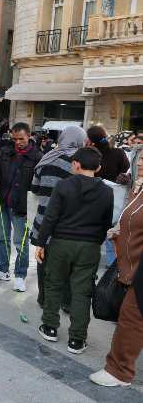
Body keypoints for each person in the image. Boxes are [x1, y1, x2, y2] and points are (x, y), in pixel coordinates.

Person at [35, 147, 114, 354]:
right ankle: (77, 340)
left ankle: (50, 327)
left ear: (76, 164)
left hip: (61, 242)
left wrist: (41, 243)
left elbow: (50, 217)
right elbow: (106, 222)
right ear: (98, 167)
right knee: (82, 292)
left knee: (54, 284)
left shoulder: (63, 185)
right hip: (89, 246)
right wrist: (95, 242)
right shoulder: (107, 191)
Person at [90, 150, 143, 386]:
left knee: (131, 318)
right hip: (130, 264)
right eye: (140, 157)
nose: (140, 162)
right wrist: (119, 234)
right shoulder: (138, 189)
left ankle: (119, 371)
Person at [30, 125, 87, 309]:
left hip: (43, 220)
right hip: (67, 223)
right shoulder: (78, 164)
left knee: (42, 259)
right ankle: (66, 301)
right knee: (67, 263)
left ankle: (43, 298)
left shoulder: (46, 158)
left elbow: (35, 189)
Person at [0, 122, 43, 292]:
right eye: (15, 138)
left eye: (21, 139)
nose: (17, 142)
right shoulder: (5, 150)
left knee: (20, 242)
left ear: (29, 136)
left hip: (22, 207)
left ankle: (20, 275)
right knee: (2, 238)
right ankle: (2, 269)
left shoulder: (37, 157)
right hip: (2, 201)